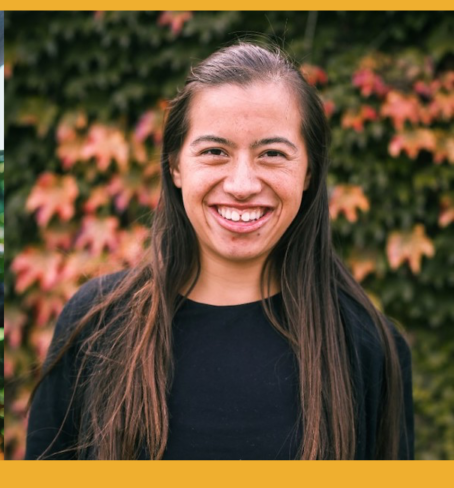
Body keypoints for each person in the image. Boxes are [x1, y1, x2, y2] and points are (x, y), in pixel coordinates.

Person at [25, 43, 414, 460]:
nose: (242, 184)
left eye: (272, 154)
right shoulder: (97, 324)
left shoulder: (368, 345)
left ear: (308, 172)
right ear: (175, 166)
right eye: (215, 152)